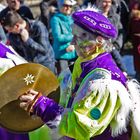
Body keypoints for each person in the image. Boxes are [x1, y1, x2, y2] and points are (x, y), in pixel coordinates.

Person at [18, 6, 140, 140]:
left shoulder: (103, 83)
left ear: (99, 41)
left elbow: (80, 126)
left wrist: (42, 106)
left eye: (80, 36)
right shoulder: (83, 61)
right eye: (73, 34)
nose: (72, 42)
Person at [95, 0, 128, 76]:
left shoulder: (115, 17)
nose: (107, 4)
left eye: (109, 2)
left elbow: (121, 32)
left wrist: (116, 45)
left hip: (113, 49)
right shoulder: (93, 17)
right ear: (98, 2)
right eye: (104, 1)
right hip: (98, 53)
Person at [50, 0, 77, 75]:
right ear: (59, 6)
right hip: (62, 54)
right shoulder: (55, 19)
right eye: (65, 5)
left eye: (70, 6)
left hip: (74, 53)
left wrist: (73, 44)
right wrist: (73, 36)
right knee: (64, 80)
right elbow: (58, 37)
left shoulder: (73, 18)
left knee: (75, 78)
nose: (68, 8)